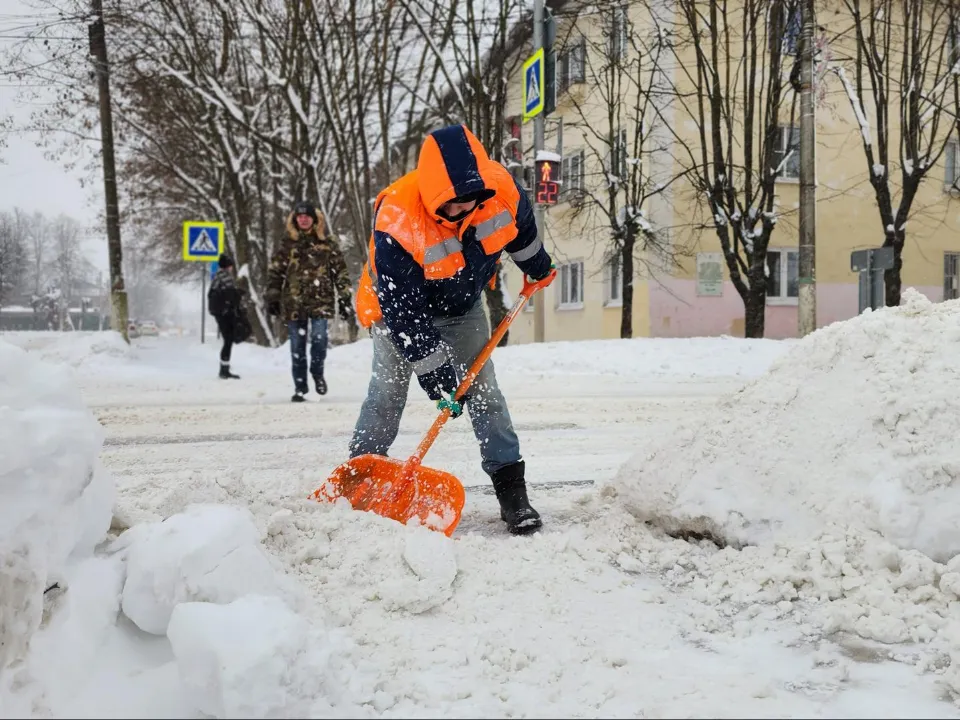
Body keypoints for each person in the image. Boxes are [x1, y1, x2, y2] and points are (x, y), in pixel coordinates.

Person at [350, 124, 556, 535]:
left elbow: (521, 232)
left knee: (485, 392)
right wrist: (437, 374)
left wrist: (537, 267)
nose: (462, 211)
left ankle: (511, 490)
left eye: (469, 203)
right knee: (387, 393)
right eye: (451, 206)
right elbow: (404, 310)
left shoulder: (500, 188)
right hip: (398, 314)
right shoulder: (398, 216)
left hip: (462, 307)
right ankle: (360, 477)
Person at [266, 200, 355, 403]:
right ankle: (300, 387)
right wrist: (272, 297)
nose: (303, 219)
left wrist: (344, 298)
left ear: (314, 219)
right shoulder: (287, 243)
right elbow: (276, 272)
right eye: (300, 216)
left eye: (307, 216)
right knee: (297, 347)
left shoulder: (327, 242)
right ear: (295, 219)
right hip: (294, 303)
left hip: (320, 302)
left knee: (319, 340)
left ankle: (317, 372)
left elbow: (340, 271)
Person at [207, 253, 246, 379]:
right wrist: (239, 293)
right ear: (228, 266)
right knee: (228, 339)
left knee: (228, 339)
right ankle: (224, 370)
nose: (232, 268)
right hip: (224, 312)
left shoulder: (217, 276)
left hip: (219, 312)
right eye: (231, 265)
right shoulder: (225, 277)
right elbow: (231, 295)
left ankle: (224, 369)